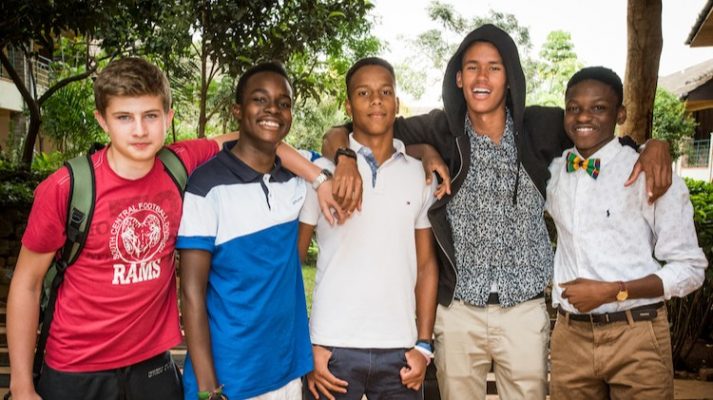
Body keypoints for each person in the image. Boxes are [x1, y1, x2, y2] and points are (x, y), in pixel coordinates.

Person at [322, 24, 673, 400]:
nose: (482, 78)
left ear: (510, 78)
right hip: (458, 312)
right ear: (459, 78)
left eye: (494, 67)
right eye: (472, 67)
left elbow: (596, 132)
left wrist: (654, 144)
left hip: (523, 312)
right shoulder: (439, 128)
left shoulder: (540, 126)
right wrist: (361, 155)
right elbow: (348, 130)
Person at [7, 57, 341, 400]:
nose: (139, 130)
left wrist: (320, 178)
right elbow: (27, 284)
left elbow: (263, 137)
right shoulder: (66, 187)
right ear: (102, 120)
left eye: (151, 116)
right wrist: (21, 385)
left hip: (152, 364)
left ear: (168, 117)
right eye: (124, 117)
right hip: (76, 367)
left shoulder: (179, 162)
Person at [546, 66, 707, 399]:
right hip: (570, 339)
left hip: (637, 336)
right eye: (574, 107)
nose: (583, 116)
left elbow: (691, 269)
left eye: (598, 107)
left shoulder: (650, 175)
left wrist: (615, 291)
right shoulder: (555, 171)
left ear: (620, 114)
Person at [177, 62, 323, 400]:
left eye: (283, 103)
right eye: (260, 99)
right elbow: (191, 292)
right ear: (237, 111)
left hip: (287, 371)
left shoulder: (297, 178)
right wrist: (208, 389)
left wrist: (341, 161)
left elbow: (335, 148)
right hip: (230, 378)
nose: (273, 109)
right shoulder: (206, 186)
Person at [298, 57, 440, 400]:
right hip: (331, 347)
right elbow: (293, 263)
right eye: (364, 93)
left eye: (385, 92)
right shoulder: (321, 174)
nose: (376, 100)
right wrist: (306, 344)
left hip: (401, 351)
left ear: (397, 103)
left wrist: (423, 345)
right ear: (349, 106)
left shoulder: (419, 174)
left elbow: (426, 265)